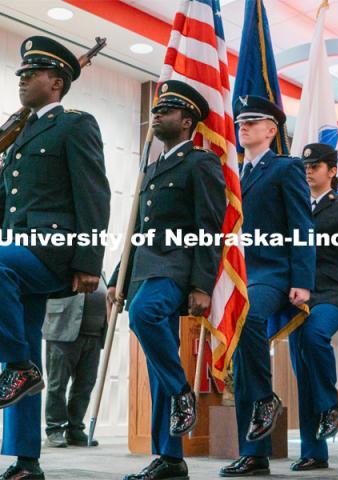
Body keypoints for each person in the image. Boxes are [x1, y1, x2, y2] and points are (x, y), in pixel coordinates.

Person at [0, 36, 110, 480]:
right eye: (21, 73)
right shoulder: (20, 136)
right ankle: (25, 462)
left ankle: (14, 368)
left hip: (54, 255)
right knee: (28, 350)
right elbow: (7, 207)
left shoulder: (75, 124)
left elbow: (94, 195)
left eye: (31, 73)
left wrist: (89, 262)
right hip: (23, 251)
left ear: (56, 82)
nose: (22, 79)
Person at [107, 80, 226, 480]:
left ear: (187, 120)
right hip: (143, 267)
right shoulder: (152, 167)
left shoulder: (202, 163)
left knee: (144, 315)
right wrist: (116, 278)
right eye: (156, 109)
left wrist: (201, 285)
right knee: (159, 365)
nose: (156, 115)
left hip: (177, 265)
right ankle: (170, 458)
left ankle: (181, 392)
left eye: (166, 110)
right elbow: (137, 227)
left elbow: (209, 226)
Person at [219, 96, 316, 477]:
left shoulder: (286, 168)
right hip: (240, 276)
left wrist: (303, 282)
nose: (242, 127)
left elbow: (301, 226)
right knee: (242, 362)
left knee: (248, 319)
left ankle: (265, 400)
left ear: (272, 130)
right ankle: (254, 452)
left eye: (252, 122)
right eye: (240, 122)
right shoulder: (235, 175)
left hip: (272, 273)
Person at [288, 143, 338, 471]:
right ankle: (314, 452)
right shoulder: (295, 204)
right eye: (306, 166)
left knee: (314, 336)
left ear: (332, 171)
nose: (309, 171)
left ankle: (329, 405)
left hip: (334, 294)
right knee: (303, 372)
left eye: (316, 166)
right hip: (299, 297)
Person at [43, 282, 107, 448]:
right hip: (62, 333)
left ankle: (75, 429)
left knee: (85, 385)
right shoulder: (64, 263)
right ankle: (55, 429)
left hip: (93, 336)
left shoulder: (100, 273)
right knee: (57, 384)